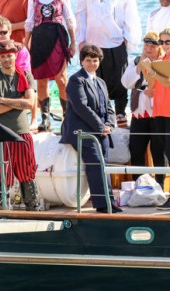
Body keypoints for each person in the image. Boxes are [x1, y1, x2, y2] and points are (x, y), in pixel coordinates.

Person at [60, 44, 119, 214]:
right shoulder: (76, 80)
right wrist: (100, 126)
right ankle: (102, 204)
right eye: (88, 60)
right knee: (96, 163)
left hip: (101, 131)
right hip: (82, 132)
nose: (92, 63)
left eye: (95, 60)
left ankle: (110, 201)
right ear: (82, 62)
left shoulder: (100, 82)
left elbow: (108, 107)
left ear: (99, 62)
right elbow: (81, 107)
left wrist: (109, 125)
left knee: (104, 164)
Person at [0, 40, 39, 211]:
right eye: (3, 57)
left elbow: (30, 103)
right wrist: (18, 102)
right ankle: (0, 205)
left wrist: (3, 100)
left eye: (9, 55)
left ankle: (32, 206)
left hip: (22, 131)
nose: (6, 59)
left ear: (15, 55)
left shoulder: (26, 76)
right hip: (0, 133)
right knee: (2, 171)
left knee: (27, 171)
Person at [76, 0, 142, 126]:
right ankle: (98, 114)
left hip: (116, 41)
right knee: (94, 81)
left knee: (120, 79)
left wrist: (129, 38)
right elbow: (81, 13)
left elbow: (131, 14)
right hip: (92, 41)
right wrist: (81, 40)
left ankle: (120, 112)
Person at [24, 0, 76, 132]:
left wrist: (73, 42)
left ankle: (67, 117)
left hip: (58, 37)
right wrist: (26, 44)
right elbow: (30, 21)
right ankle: (45, 119)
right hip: (39, 38)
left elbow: (69, 18)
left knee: (61, 80)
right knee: (41, 81)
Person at [120, 33, 164, 184]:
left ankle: (160, 184)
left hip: (158, 112)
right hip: (139, 111)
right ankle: (139, 184)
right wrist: (138, 68)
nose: (148, 48)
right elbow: (126, 83)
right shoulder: (134, 61)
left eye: (153, 46)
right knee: (136, 149)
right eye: (146, 45)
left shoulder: (163, 63)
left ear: (159, 48)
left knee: (158, 150)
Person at [0, 17, 37, 129]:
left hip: (17, 89)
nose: (0, 36)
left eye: (4, 32)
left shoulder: (20, 50)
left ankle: (34, 120)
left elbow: (23, 75)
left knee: (30, 87)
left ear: (10, 31)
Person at [145, 28, 170, 209]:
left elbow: (168, 82)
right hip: (160, 110)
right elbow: (152, 87)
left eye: (168, 41)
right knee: (166, 152)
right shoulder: (161, 60)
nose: (164, 45)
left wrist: (153, 72)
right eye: (161, 42)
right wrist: (147, 70)